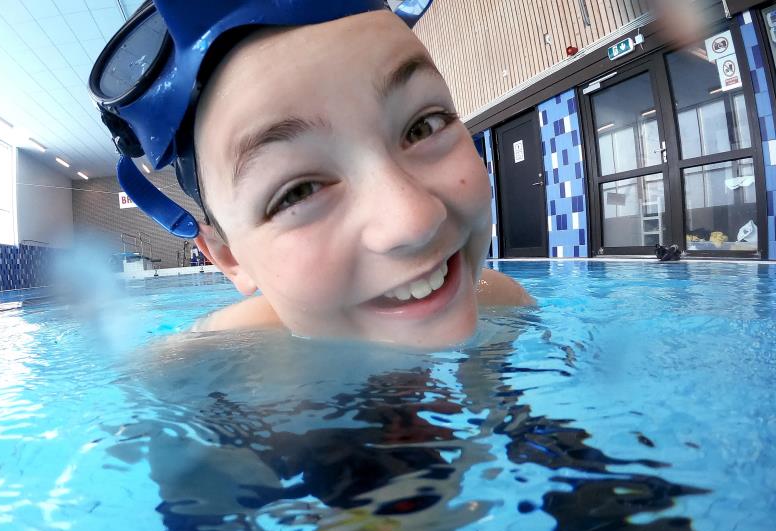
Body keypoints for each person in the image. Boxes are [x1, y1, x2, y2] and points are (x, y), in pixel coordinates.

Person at [89, 0, 532, 349]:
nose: (413, 221)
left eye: (424, 126)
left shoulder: (506, 307)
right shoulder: (207, 371)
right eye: (299, 192)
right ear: (229, 258)